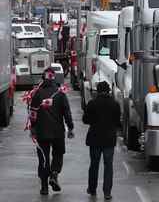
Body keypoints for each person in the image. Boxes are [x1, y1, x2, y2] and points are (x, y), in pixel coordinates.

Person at [30, 67, 74, 195]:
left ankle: (44, 187)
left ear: (43, 78)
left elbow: (33, 112)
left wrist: (33, 128)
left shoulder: (37, 93)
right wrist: (70, 127)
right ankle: (54, 174)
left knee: (43, 159)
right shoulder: (60, 93)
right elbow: (67, 112)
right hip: (58, 132)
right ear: (54, 77)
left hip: (42, 132)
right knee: (58, 154)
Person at [83, 81, 121, 200]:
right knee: (108, 165)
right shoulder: (115, 104)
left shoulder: (92, 104)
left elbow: (85, 120)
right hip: (109, 139)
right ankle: (107, 192)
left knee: (94, 164)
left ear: (98, 91)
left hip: (95, 138)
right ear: (109, 91)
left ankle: (92, 188)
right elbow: (117, 122)